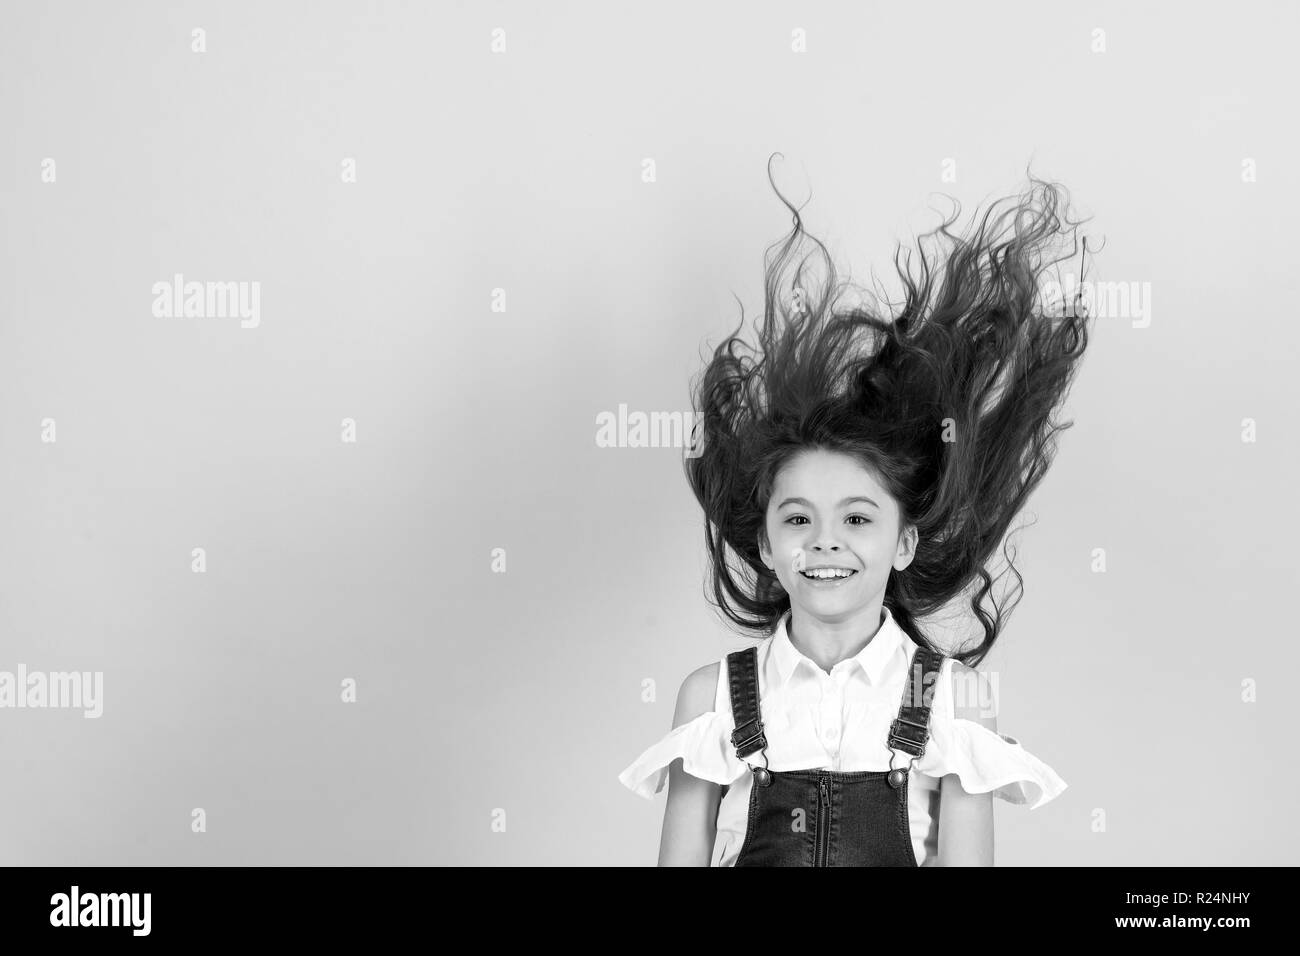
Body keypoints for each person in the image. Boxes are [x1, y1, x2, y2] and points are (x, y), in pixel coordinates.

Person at [618, 158, 1092, 866]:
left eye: (859, 519)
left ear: (905, 540)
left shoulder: (951, 695)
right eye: (799, 519)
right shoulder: (714, 694)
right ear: (768, 541)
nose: (825, 542)